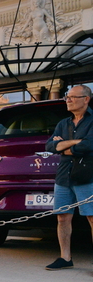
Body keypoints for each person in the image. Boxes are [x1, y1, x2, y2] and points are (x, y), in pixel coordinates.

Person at [44, 85, 93, 270]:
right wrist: (75, 143)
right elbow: (49, 147)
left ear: (86, 99)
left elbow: (89, 145)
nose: (68, 100)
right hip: (64, 177)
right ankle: (65, 258)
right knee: (63, 218)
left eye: (72, 97)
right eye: (67, 97)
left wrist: (64, 147)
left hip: (87, 176)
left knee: (92, 217)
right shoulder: (63, 123)